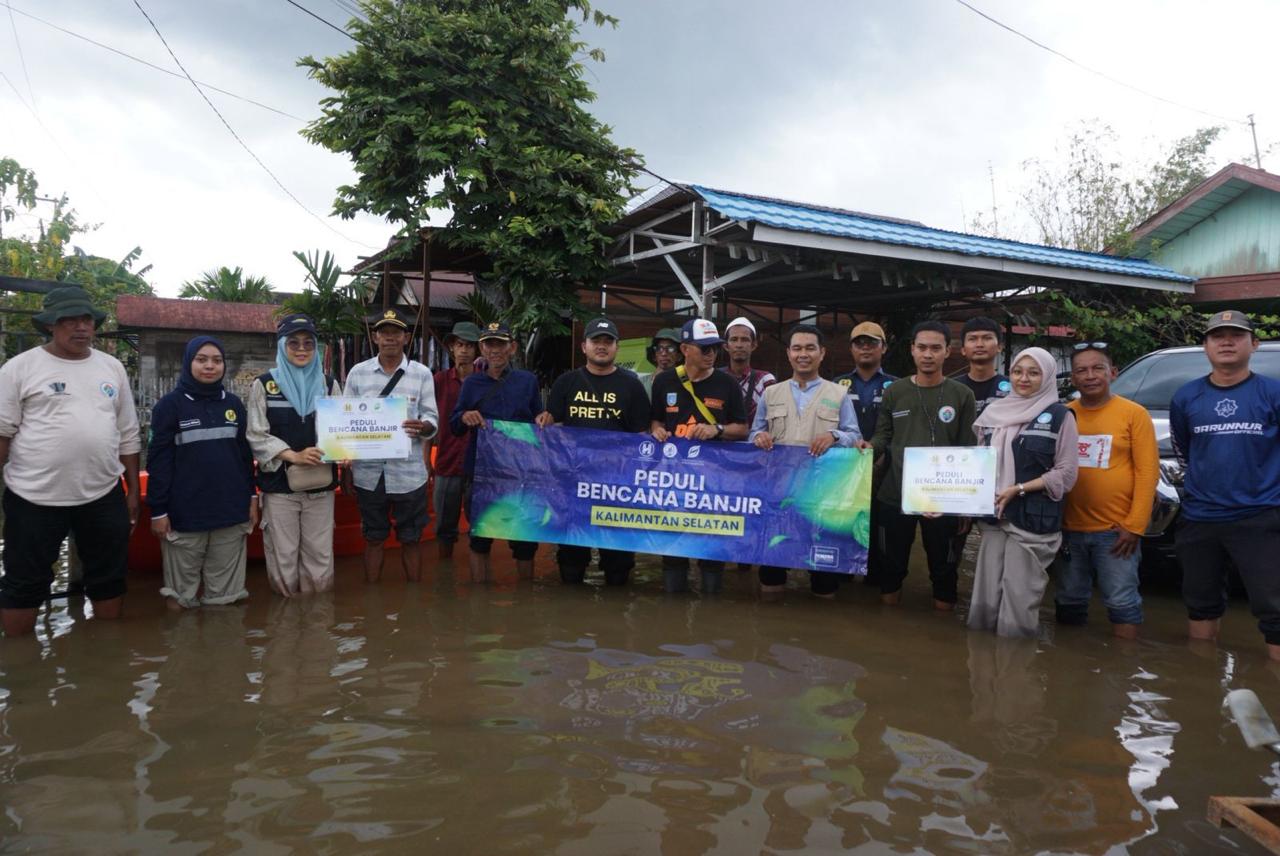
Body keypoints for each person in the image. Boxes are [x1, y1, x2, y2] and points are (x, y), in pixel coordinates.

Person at [0, 286, 140, 637]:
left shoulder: (112, 367)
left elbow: (128, 433)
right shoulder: (19, 368)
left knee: (109, 577)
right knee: (23, 583)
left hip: (102, 493)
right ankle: (22, 667)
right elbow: (3, 434)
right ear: (50, 325)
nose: (81, 327)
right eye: (70, 320)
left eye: (87, 320)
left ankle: (105, 656)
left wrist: (133, 491)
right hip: (34, 497)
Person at [1170, 310, 1280, 659]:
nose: (1227, 341)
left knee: (1274, 607)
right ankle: (1203, 681)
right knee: (1200, 603)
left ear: (1254, 344)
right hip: (1200, 517)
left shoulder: (1272, 393)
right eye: (1218, 336)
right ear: (1205, 346)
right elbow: (1184, 450)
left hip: (1260, 515)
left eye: (1236, 335)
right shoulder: (1186, 397)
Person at [968, 347, 1078, 638]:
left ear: (1047, 376)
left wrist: (1018, 489)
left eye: (1033, 372)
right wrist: (940, 500)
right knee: (984, 604)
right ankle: (980, 674)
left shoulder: (1060, 416)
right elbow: (976, 470)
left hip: (1031, 525)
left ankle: (1015, 675)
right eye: (1017, 371)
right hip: (994, 521)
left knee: (1017, 608)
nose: (1023, 378)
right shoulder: (992, 415)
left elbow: (1066, 475)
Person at [751, 324, 865, 598]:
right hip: (779, 496)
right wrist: (760, 437)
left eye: (810, 348)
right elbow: (754, 432)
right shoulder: (771, 393)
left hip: (822, 498)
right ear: (789, 353)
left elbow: (856, 436)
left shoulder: (838, 394)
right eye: (797, 348)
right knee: (771, 580)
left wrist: (835, 436)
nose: (804, 354)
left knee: (824, 586)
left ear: (821, 353)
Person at [536, 317, 650, 586]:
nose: (602, 346)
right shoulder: (566, 382)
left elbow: (640, 437)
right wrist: (546, 421)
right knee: (571, 560)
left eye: (607, 342)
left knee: (618, 563)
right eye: (595, 341)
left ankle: (614, 622)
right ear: (584, 346)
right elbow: (554, 427)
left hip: (616, 486)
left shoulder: (632, 386)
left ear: (616, 348)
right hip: (573, 484)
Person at [147, 336, 258, 610]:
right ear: (189, 363)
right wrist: (158, 511)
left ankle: (218, 651)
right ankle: (184, 651)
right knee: (179, 598)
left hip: (230, 514)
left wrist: (252, 497)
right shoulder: (169, 407)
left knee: (225, 601)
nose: (210, 366)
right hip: (184, 516)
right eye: (202, 359)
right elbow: (158, 462)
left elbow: (245, 457)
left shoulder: (233, 404)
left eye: (217, 360)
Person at [871, 320, 976, 610]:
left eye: (935, 348)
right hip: (895, 494)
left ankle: (943, 633)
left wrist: (965, 504)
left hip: (942, 498)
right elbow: (883, 434)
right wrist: (869, 447)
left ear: (948, 351)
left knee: (944, 569)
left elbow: (969, 448)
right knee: (890, 569)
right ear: (912, 350)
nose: (928, 354)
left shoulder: (962, 395)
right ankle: (887, 624)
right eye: (922, 348)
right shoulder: (895, 391)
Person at [1056, 343, 1158, 638]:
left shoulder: (1134, 414)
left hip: (1116, 532)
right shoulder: (1063, 415)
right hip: (1068, 530)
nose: (1090, 376)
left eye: (1097, 368)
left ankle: (1123, 668)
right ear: (1073, 379)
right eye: (1081, 371)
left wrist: (1135, 525)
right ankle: (1070, 665)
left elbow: (1147, 472)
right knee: (1068, 598)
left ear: (1112, 373)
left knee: (1122, 601)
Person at [649, 318, 748, 594]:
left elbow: (742, 429)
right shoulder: (664, 381)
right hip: (674, 483)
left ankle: (710, 621)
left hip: (714, 483)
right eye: (704, 348)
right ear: (685, 349)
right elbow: (655, 420)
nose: (711, 354)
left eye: (715, 348)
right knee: (673, 554)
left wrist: (717, 429)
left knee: (712, 556)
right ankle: (671, 621)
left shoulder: (727, 384)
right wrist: (657, 431)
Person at [247, 313, 342, 596]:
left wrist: (350, 447)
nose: (302, 349)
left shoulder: (328, 384)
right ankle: (286, 623)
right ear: (282, 346)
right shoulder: (264, 385)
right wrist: (293, 455)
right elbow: (255, 434)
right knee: (282, 555)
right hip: (279, 489)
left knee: (320, 557)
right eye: (294, 343)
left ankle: (317, 623)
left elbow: (341, 429)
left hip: (321, 486)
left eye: (308, 343)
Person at [342, 308, 438, 583]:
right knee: (373, 537)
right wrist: (345, 465)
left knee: (411, 539)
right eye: (385, 332)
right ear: (375, 337)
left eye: (396, 333)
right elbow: (346, 423)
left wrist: (424, 426)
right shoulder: (358, 374)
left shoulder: (421, 374)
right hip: (368, 473)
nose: (390, 338)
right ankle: (373, 599)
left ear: (406, 338)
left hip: (409, 473)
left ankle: (413, 599)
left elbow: (432, 417)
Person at [449, 321, 545, 583]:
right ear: (482, 348)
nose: (495, 350)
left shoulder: (527, 381)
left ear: (512, 347)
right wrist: (465, 416)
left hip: (520, 473)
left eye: (500, 344)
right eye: (489, 344)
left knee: (524, 540)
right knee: (479, 537)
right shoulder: (471, 384)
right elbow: (454, 425)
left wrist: (544, 418)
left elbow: (539, 421)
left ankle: (525, 599)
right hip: (482, 473)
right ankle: (479, 600)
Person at [834, 320, 895, 586]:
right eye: (860, 343)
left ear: (884, 348)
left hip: (885, 472)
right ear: (851, 349)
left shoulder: (898, 386)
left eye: (872, 342)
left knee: (882, 540)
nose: (866, 348)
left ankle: (876, 590)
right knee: (844, 535)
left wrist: (885, 455)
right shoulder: (836, 386)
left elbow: (900, 430)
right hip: (844, 475)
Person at [429, 321, 480, 559]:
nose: (465, 350)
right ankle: (444, 573)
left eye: (470, 345)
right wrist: (425, 459)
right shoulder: (438, 381)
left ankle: (479, 577)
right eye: (460, 344)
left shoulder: (486, 381)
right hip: (446, 463)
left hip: (479, 466)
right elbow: (429, 420)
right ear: (452, 347)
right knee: (444, 527)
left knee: (480, 527)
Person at [722, 317, 776, 425]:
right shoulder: (717, 377)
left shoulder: (765, 380)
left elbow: (774, 418)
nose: (739, 345)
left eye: (745, 339)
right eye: (734, 339)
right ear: (726, 346)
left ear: (754, 345)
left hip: (755, 441)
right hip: (719, 441)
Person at [955, 317, 1010, 417]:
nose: (979, 344)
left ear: (999, 347)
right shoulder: (951, 389)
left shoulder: (1013, 388)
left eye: (987, 338)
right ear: (963, 349)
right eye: (972, 339)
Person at [640, 327, 682, 397]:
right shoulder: (641, 383)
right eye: (659, 349)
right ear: (654, 356)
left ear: (679, 356)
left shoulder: (685, 382)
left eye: (670, 348)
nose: (664, 353)